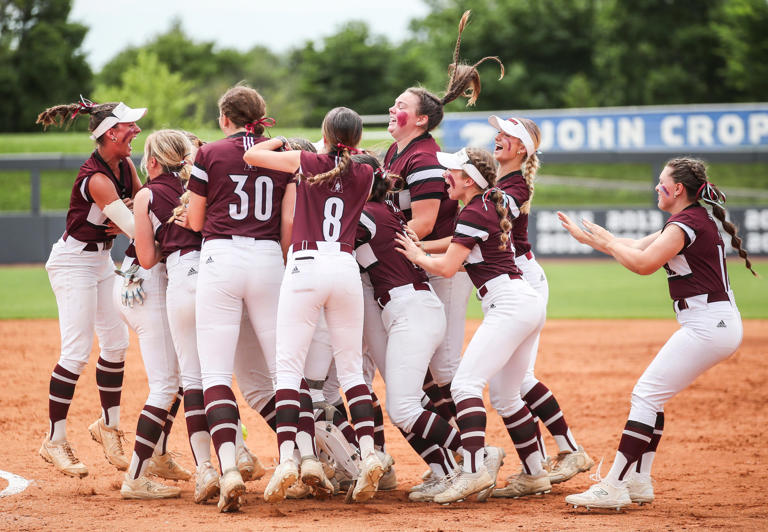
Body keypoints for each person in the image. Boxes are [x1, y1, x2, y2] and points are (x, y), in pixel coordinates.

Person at [559, 157, 752, 510]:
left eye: (661, 182)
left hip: (709, 323)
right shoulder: (686, 221)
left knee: (645, 395)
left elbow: (643, 265)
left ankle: (614, 485)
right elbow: (633, 248)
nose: (656, 187)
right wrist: (594, 240)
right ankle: (638, 480)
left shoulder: (684, 225)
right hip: (713, 321)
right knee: (652, 396)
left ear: (678, 189)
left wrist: (608, 243)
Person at [243, 107, 384, 503]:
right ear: (356, 139)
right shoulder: (366, 172)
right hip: (343, 266)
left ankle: (288, 458)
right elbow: (350, 163)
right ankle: (370, 453)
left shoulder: (308, 161)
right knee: (352, 369)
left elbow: (251, 156)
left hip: (305, 264)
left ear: (324, 132)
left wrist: (281, 142)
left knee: (287, 368)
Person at [396, 147, 548, 504]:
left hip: (508, 305)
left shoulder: (473, 212)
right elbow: (465, 258)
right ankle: (536, 473)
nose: (444, 176)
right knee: (506, 396)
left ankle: (473, 472)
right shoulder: (484, 207)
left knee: (465, 384)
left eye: (452, 172)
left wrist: (418, 255)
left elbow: (449, 268)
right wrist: (426, 250)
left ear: (469, 181)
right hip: (523, 301)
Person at [384, 10, 504, 427]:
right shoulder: (397, 152)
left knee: (447, 364)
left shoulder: (424, 158)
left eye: (400, 106)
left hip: (445, 262)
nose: (391, 109)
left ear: (420, 119)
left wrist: (383, 245)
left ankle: (473, 454)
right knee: (432, 366)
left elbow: (424, 220)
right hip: (422, 259)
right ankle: (455, 449)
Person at [186, 85, 295, 512]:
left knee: (215, 372)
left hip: (221, 256)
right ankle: (294, 458)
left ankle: (229, 467)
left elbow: (195, 221)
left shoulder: (209, 153)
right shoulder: (280, 151)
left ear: (225, 117)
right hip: (269, 258)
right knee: (282, 366)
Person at [353, 152, 484, 502]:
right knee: (412, 399)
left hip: (410, 309)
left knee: (404, 408)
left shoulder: (365, 214)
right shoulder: (383, 209)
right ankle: (446, 471)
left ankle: (478, 457)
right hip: (410, 308)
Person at [36, 98, 144, 478]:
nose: (137, 131)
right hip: (73, 263)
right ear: (110, 133)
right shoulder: (97, 178)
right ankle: (54, 439)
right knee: (77, 350)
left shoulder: (125, 165)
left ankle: (108, 427)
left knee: (116, 344)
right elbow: (137, 227)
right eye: (129, 126)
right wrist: (131, 212)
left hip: (100, 260)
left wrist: (132, 208)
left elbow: (139, 210)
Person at [486, 115, 593, 498]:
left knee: (507, 387)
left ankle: (545, 464)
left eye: (507, 135)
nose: (498, 137)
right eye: (498, 132)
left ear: (520, 149)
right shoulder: (502, 181)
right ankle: (563, 452)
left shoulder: (513, 187)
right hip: (517, 282)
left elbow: (505, 209)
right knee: (516, 381)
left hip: (522, 283)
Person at [117, 129, 194, 500]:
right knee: (167, 383)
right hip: (148, 289)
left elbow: (145, 255)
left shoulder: (149, 192)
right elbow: (149, 259)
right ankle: (134, 476)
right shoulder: (191, 192)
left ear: (151, 162)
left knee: (176, 379)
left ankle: (158, 455)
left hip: (140, 283)